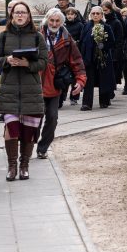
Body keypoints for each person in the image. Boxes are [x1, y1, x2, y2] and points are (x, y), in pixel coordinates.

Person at [0, 1, 48, 181]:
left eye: (23, 12)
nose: (19, 15)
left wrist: (27, 64)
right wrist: (7, 60)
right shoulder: (3, 36)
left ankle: (24, 165)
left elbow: (43, 62)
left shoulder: (37, 36)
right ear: (11, 15)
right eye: (16, 12)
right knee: (11, 128)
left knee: (28, 130)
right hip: (9, 89)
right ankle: (12, 167)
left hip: (31, 89)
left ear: (28, 15)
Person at [38, 9, 86, 157]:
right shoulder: (36, 35)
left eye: (57, 21)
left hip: (54, 84)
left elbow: (77, 61)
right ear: (47, 20)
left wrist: (80, 80)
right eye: (51, 20)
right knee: (34, 119)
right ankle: (28, 146)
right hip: (36, 84)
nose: (54, 23)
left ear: (62, 22)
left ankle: (42, 148)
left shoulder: (67, 39)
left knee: (52, 118)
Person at [80, 7, 116, 109]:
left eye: (98, 13)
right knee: (88, 81)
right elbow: (82, 41)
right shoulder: (86, 26)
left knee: (103, 79)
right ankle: (86, 103)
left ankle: (104, 101)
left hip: (102, 58)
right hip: (89, 58)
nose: (95, 15)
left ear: (101, 15)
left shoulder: (106, 27)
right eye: (93, 13)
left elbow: (112, 42)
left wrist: (103, 46)